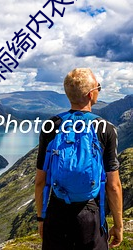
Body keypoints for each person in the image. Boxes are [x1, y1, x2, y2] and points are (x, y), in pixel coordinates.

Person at [35, 68, 123, 250]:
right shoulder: (105, 129)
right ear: (91, 94)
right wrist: (118, 225)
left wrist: (41, 218)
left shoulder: (51, 125)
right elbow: (113, 185)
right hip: (90, 215)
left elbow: (40, 181)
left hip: (57, 212)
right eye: (99, 87)